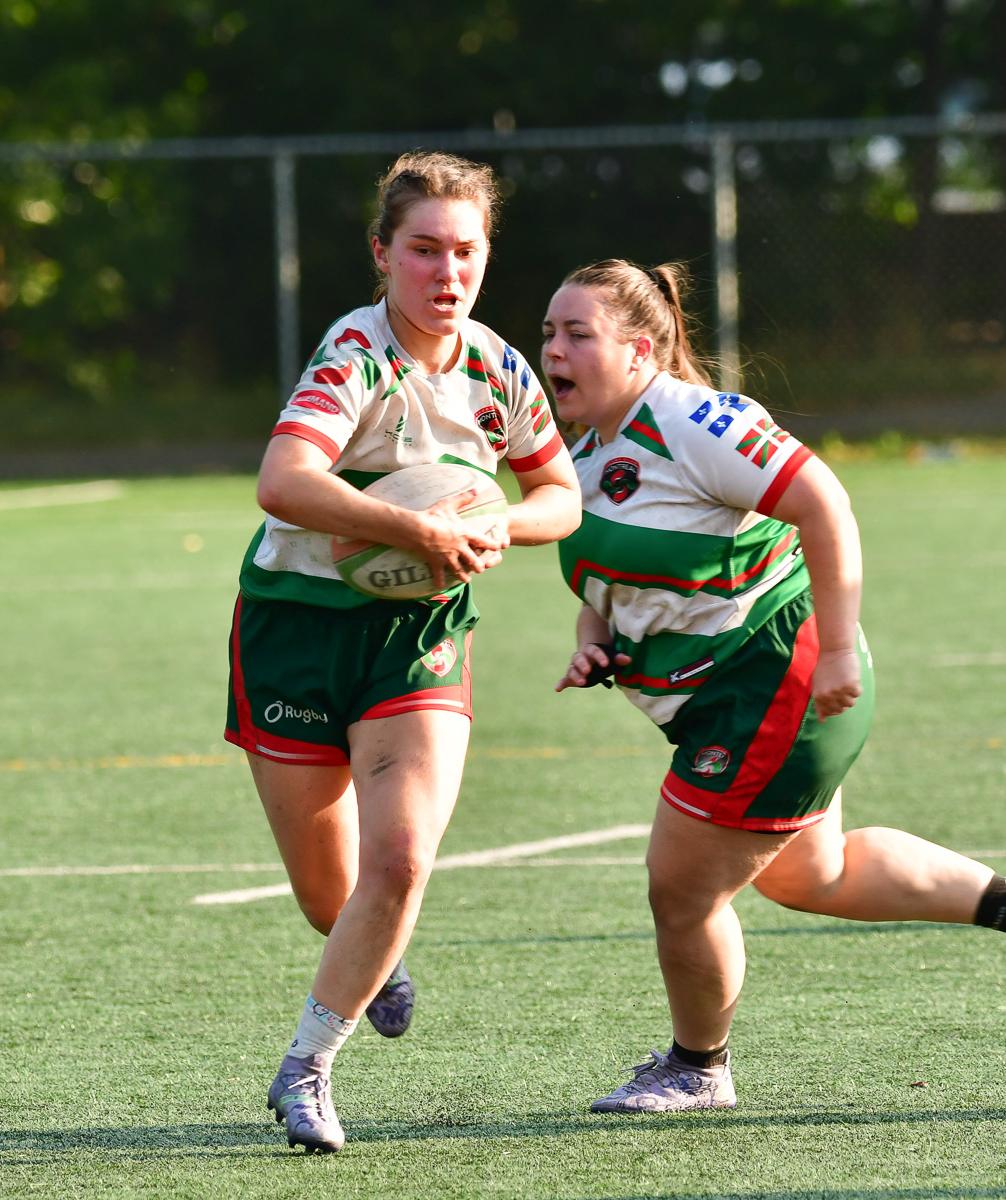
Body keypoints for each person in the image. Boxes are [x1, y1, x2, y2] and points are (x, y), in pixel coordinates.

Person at [540, 260, 1006, 1115]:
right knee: (814, 874)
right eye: (548, 331)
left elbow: (824, 503)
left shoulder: (692, 420)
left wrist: (839, 650)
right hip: (729, 697)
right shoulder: (583, 446)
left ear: (641, 350)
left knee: (681, 888)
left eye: (576, 333)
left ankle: (700, 1067)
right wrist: (596, 643)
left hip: (780, 684)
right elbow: (605, 584)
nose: (553, 348)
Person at [230, 153, 582, 1152]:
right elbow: (282, 481)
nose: (447, 273)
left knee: (401, 859)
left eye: (465, 252)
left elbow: (561, 493)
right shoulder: (356, 353)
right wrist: (415, 531)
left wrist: (498, 524)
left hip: (419, 637)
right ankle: (369, 959)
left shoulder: (499, 366)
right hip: (294, 628)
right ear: (383, 255)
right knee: (326, 895)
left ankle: (307, 1068)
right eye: (424, 250)